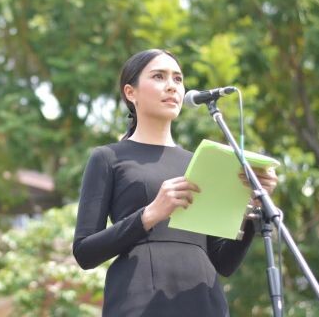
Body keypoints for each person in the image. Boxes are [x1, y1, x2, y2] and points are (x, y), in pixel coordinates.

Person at [72, 49, 278, 316]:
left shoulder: (202, 162)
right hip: (139, 301)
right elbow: (85, 252)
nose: (172, 86)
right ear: (130, 92)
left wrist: (251, 209)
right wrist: (150, 214)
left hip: (204, 301)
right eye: (159, 76)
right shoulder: (108, 158)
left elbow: (223, 262)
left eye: (178, 79)